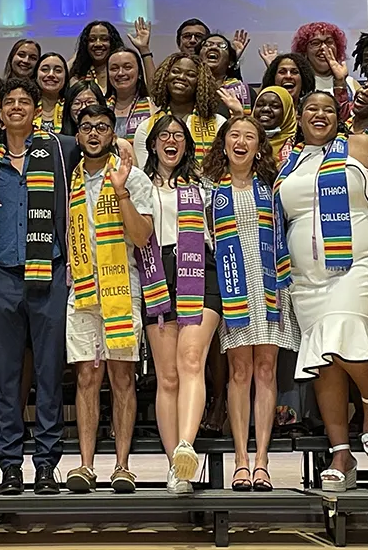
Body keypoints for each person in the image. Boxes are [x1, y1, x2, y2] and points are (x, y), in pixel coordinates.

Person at [0, 78, 81, 496]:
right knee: (7, 378)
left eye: (23, 101)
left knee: (50, 376)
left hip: (49, 274)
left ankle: (47, 465)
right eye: (8, 101)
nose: (15, 107)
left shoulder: (60, 149)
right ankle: (10, 465)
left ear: (37, 110)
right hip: (3, 278)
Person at [275, 92, 368, 491]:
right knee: (323, 356)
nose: (320, 114)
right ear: (300, 116)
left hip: (362, 261)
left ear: (339, 115)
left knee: (341, 327)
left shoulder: (358, 145)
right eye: (312, 108)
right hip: (306, 278)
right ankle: (341, 453)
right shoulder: (285, 161)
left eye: (328, 108)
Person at [64, 105, 154, 495]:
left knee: (121, 378)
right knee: (86, 376)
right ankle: (85, 466)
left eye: (102, 127)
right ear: (78, 135)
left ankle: (122, 466)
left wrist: (120, 194)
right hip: (81, 289)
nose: (94, 133)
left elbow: (141, 236)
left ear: (112, 133)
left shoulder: (133, 176)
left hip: (123, 288)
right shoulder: (68, 180)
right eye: (86, 128)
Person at [203, 116, 294, 493]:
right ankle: (241, 460)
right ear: (223, 143)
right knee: (239, 372)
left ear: (259, 147)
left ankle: (262, 461)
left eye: (249, 137)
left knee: (266, 370)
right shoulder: (209, 191)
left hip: (269, 283)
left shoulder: (273, 187)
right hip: (231, 283)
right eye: (234, 135)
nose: (241, 142)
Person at [139, 114, 219, 494]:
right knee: (167, 376)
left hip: (199, 270)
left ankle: (187, 447)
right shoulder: (136, 184)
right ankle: (176, 466)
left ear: (187, 144)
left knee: (191, 361)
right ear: (152, 143)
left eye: (178, 135)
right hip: (156, 271)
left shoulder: (203, 184)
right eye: (164, 135)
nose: (171, 140)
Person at [133, 54, 225, 170]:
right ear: (165, 77)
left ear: (200, 82)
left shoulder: (218, 123)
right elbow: (145, 171)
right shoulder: (147, 127)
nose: (181, 77)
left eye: (191, 75)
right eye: (175, 71)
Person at [290, 21, 356, 100]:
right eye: (315, 43)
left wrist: (340, 81)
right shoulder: (297, 84)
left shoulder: (351, 83)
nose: (323, 47)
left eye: (329, 42)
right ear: (304, 51)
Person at [106, 48, 153, 139]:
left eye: (127, 67)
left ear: (139, 72)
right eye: (114, 68)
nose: (120, 73)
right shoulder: (101, 106)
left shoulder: (152, 105)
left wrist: (145, 50)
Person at [69, 21, 125, 89]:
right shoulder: (79, 76)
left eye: (104, 39)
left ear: (113, 43)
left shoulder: (121, 73)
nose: (98, 44)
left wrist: (142, 50)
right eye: (92, 40)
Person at [201, 33, 250, 111]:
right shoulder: (189, 88)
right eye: (207, 45)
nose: (213, 47)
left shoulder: (245, 91)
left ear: (230, 62)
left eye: (222, 46)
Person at [253, 86, 298, 164]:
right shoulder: (243, 141)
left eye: (274, 106)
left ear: (287, 112)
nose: (265, 109)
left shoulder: (298, 144)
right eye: (260, 105)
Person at [34, 52, 70, 132]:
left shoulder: (72, 107)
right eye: (45, 70)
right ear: (36, 75)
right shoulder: (27, 106)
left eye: (58, 70)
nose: (51, 74)